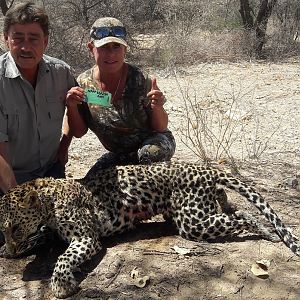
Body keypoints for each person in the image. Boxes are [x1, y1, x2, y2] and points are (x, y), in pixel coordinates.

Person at [66, 17, 176, 177]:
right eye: (103, 47)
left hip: (153, 144)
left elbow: (160, 127)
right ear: (91, 49)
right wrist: (72, 107)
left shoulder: (139, 79)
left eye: (116, 46)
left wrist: (157, 106)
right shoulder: (83, 84)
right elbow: (79, 132)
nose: (110, 54)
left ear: (125, 49)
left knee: (147, 157)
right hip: (121, 153)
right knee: (93, 181)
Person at [0, 1, 76, 195]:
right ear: (5, 40)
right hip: (8, 179)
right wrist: (19, 200)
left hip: (50, 172)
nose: (25, 47)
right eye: (18, 38)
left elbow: (77, 114)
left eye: (33, 38)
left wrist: (63, 147)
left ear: (46, 41)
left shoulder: (62, 73)